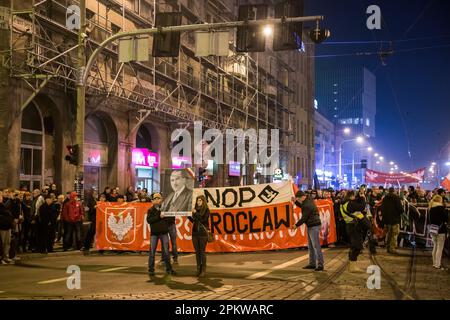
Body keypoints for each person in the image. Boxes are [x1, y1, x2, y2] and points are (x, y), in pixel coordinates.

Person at [291, 191, 324, 271]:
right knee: (311, 246)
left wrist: (296, 225)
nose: (298, 200)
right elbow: (302, 206)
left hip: (313, 226)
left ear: (302, 196)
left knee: (316, 246)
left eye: (298, 198)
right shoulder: (308, 200)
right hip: (311, 225)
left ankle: (320, 264)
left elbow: (304, 218)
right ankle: (312, 263)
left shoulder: (307, 205)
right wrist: (295, 202)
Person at [146, 193, 176, 276]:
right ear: (152, 201)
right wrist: (159, 216)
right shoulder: (150, 210)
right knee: (152, 252)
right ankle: (151, 269)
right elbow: (149, 220)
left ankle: (169, 269)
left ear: (161, 200)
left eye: (158, 198)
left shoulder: (165, 209)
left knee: (166, 251)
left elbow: (171, 219)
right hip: (154, 234)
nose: (157, 200)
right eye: (155, 199)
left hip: (164, 233)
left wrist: (167, 215)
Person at [340, 190, 367, 272]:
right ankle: (353, 266)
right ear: (351, 196)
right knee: (357, 246)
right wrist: (362, 198)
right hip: (354, 227)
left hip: (349, 226)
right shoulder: (349, 205)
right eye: (354, 196)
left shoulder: (343, 204)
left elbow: (356, 204)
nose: (355, 198)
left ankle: (352, 265)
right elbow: (361, 206)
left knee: (354, 245)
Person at [188, 195, 211, 277]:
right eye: (197, 201)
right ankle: (198, 269)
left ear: (203, 201)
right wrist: (188, 216)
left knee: (202, 252)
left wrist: (196, 213)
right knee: (197, 252)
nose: (198, 202)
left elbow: (203, 220)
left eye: (200, 201)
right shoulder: (195, 210)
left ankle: (204, 270)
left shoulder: (206, 210)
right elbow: (194, 220)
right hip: (195, 233)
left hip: (202, 234)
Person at [381, 187, 404, 254]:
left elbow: (382, 209)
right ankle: (392, 248)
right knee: (394, 234)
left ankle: (388, 247)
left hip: (387, 220)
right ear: (394, 191)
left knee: (388, 234)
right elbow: (401, 209)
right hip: (394, 219)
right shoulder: (396, 198)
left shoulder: (385, 198)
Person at [428, 195, 448, 270]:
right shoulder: (441, 208)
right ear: (440, 200)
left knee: (435, 246)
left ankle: (434, 263)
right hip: (441, 230)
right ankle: (437, 265)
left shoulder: (431, 208)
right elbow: (445, 219)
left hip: (433, 230)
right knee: (440, 248)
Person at [0, 192, 13, 264]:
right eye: (0, 196)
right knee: (2, 243)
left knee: (7, 243)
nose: (1, 197)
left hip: (7, 226)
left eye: (1, 196)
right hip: (2, 227)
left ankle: (6, 256)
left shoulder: (3, 204)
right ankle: (2, 258)